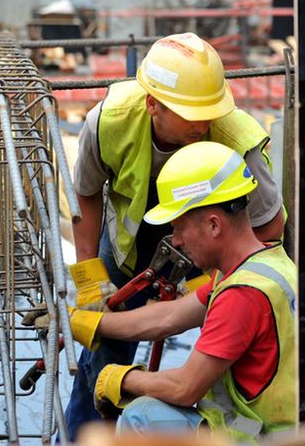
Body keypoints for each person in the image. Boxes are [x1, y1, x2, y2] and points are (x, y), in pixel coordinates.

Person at [65, 32, 284, 438]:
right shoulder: (109, 121)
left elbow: (270, 227)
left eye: (209, 111)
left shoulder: (238, 140)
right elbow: (87, 194)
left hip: (219, 255)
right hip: (130, 246)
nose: (203, 122)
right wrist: (90, 283)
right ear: (152, 104)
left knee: (226, 354)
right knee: (101, 359)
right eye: (191, 112)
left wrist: (214, 286)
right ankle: (84, 435)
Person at [67, 141, 295, 443]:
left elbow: (185, 388)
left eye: (178, 228)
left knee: (142, 415)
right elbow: (169, 316)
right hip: (285, 424)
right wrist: (83, 321)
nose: (175, 241)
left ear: (213, 225)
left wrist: (122, 378)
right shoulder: (263, 263)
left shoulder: (243, 295)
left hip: (263, 435)